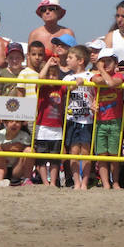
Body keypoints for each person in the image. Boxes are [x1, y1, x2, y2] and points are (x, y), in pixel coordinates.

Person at [50, 45, 94, 189]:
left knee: (86, 151)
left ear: (80, 60)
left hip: (87, 120)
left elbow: (98, 87)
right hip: (72, 120)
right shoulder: (68, 77)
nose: (67, 60)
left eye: (70, 57)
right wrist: (74, 85)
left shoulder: (90, 75)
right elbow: (64, 90)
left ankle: (85, 182)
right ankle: (76, 182)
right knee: (73, 152)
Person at [90, 48, 124, 188]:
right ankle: (105, 183)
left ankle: (115, 182)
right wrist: (101, 72)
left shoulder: (119, 76)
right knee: (102, 155)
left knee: (114, 155)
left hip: (115, 120)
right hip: (100, 121)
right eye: (102, 61)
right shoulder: (96, 76)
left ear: (115, 62)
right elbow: (97, 80)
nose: (105, 64)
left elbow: (111, 83)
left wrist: (101, 70)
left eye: (108, 61)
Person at [0, 120, 33, 186]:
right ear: (5, 123)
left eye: (17, 122)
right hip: (0, 167)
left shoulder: (25, 136)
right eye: (11, 121)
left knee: (29, 150)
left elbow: (27, 156)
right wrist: (8, 147)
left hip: (17, 168)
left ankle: (27, 179)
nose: (14, 124)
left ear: (21, 124)